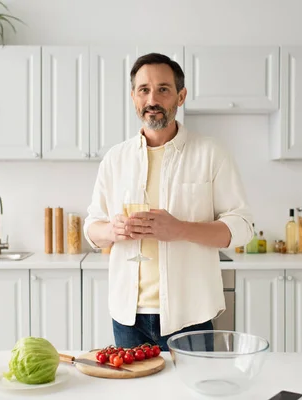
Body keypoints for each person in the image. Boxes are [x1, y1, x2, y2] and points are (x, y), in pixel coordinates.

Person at [83, 53, 254, 351]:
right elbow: (91, 229)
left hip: (190, 316)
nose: (153, 98)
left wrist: (180, 229)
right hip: (127, 317)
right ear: (134, 97)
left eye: (163, 89)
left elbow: (241, 227)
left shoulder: (210, 153)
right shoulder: (115, 159)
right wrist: (112, 231)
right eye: (144, 90)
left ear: (181, 96)